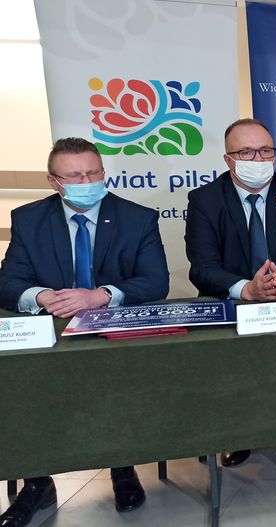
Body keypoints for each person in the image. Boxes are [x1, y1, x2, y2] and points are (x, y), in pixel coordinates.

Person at [0, 137, 170, 526]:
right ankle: (37, 481)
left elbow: (155, 281)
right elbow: (7, 281)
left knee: (117, 380)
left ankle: (122, 467)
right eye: (75, 176)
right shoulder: (29, 219)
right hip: (52, 334)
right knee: (21, 385)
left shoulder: (137, 217)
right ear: (53, 181)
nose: (87, 182)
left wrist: (100, 295)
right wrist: (40, 295)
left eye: (93, 173)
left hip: (111, 333)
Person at [185, 118, 276, 466]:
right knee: (234, 370)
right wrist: (246, 290)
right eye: (247, 152)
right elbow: (202, 266)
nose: (259, 159)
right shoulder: (205, 200)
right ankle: (239, 433)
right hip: (235, 303)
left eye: (266, 150)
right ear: (228, 159)